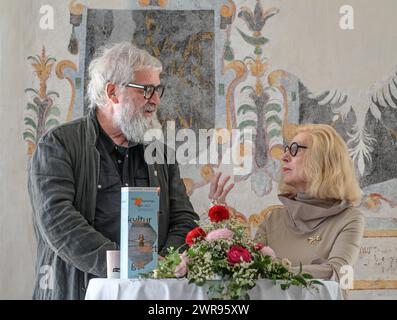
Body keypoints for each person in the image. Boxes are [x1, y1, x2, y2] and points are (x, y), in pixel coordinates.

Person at [28, 42, 233, 299]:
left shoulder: (161, 153)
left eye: (158, 90)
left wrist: (164, 265)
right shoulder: (58, 145)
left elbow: (183, 220)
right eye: (146, 90)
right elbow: (58, 222)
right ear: (112, 92)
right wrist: (127, 266)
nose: (156, 100)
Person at [254, 124, 364, 283]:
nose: (284, 157)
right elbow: (248, 268)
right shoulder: (273, 219)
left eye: (295, 149)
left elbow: (337, 274)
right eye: (287, 149)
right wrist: (218, 215)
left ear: (323, 159)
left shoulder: (349, 218)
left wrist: (273, 268)